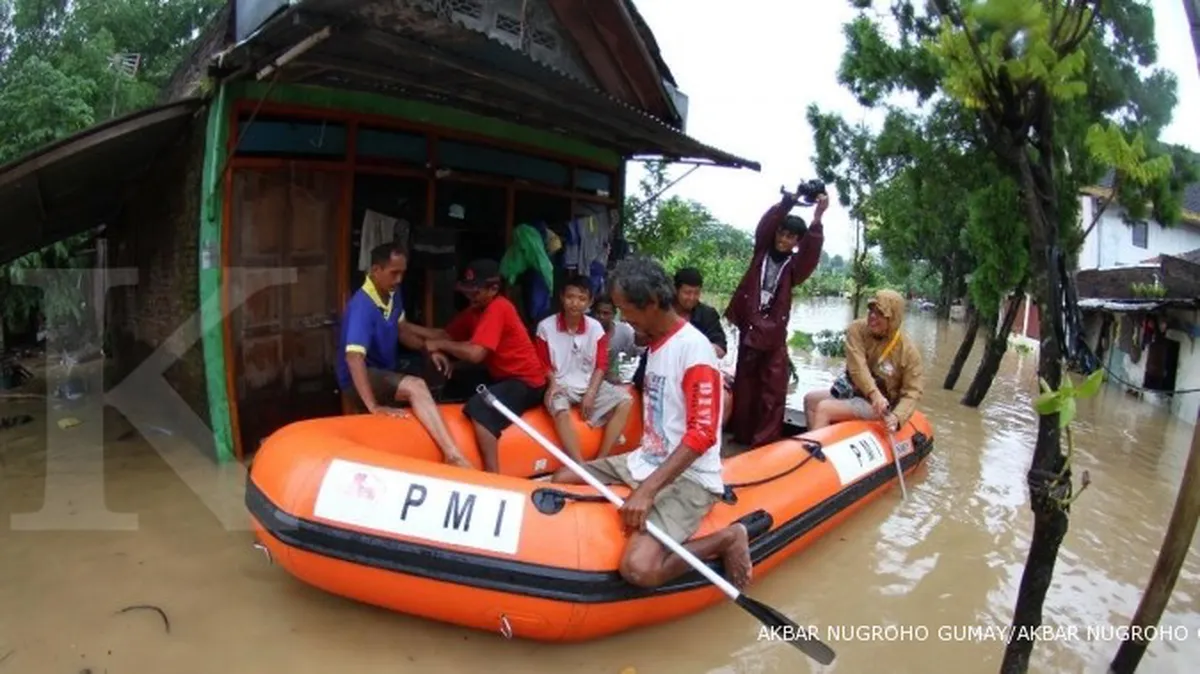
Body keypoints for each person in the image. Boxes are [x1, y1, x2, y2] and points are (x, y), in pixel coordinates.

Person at [550, 256, 752, 591]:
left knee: (639, 570)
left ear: (653, 304)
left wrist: (647, 490)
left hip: (690, 477)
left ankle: (728, 538)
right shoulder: (655, 343)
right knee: (562, 478)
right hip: (646, 459)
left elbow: (702, 434)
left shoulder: (695, 351)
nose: (622, 319)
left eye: (626, 309)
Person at [337, 243, 471, 468]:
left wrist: (429, 349)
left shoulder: (392, 293)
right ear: (375, 271)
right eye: (394, 273)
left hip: (385, 369)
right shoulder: (362, 306)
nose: (399, 280)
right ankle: (453, 454)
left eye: (402, 273)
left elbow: (401, 330)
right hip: (358, 377)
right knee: (416, 386)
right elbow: (354, 359)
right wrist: (373, 406)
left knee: (433, 370)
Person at [423, 259, 551, 473]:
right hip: (500, 375)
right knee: (455, 382)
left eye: (475, 291)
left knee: (480, 409)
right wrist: (404, 329)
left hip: (527, 381)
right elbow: (444, 334)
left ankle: (493, 476)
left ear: (493, 289)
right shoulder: (475, 310)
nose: (470, 295)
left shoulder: (498, 307)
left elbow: (475, 353)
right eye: (468, 290)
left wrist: (438, 345)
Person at [724, 187, 828, 448]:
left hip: (773, 337)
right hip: (750, 331)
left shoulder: (795, 267)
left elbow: (811, 251)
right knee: (745, 389)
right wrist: (789, 200)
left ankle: (765, 443)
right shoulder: (761, 251)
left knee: (773, 391)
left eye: (790, 236)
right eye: (781, 233)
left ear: (796, 241)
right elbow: (765, 226)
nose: (783, 239)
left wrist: (817, 217)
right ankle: (742, 436)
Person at [535, 275, 634, 462]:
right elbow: (542, 363)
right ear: (562, 298)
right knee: (561, 412)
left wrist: (591, 392)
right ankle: (580, 465)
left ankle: (601, 460)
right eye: (570, 297)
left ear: (589, 302)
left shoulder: (595, 328)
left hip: (588, 383)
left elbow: (601, 365)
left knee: (625, 402)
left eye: (581, 299)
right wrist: (553, 384)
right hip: (561, 385)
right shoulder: (545, 327)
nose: (575, 303)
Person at [803, 289, 924, 431]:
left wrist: (897, 416)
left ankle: (817, 451)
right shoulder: (857, 329)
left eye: (880, 313)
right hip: (858, 392)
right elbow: (857, 367)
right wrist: (874, 394)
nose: (872, 316)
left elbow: (913, 391)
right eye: (871, 310)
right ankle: (816, 443)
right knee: (810, 400)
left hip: (881, 406)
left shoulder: (908, 352)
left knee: (824, 408)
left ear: (892, 319)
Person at [672, 268, 728, 358]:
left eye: (696, 293)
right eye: (687, 293)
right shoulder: (663, 311)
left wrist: (696, 347)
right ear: (676, 290)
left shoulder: (708, 314)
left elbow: (721, 350)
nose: (692, 298)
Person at [590, 292, 641, 382]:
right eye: (598, 312)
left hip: (612, 379)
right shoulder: (586, 332)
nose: (601, 317)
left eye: (606, 313)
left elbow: (637, 352)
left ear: (614, 314)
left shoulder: (624, 331)